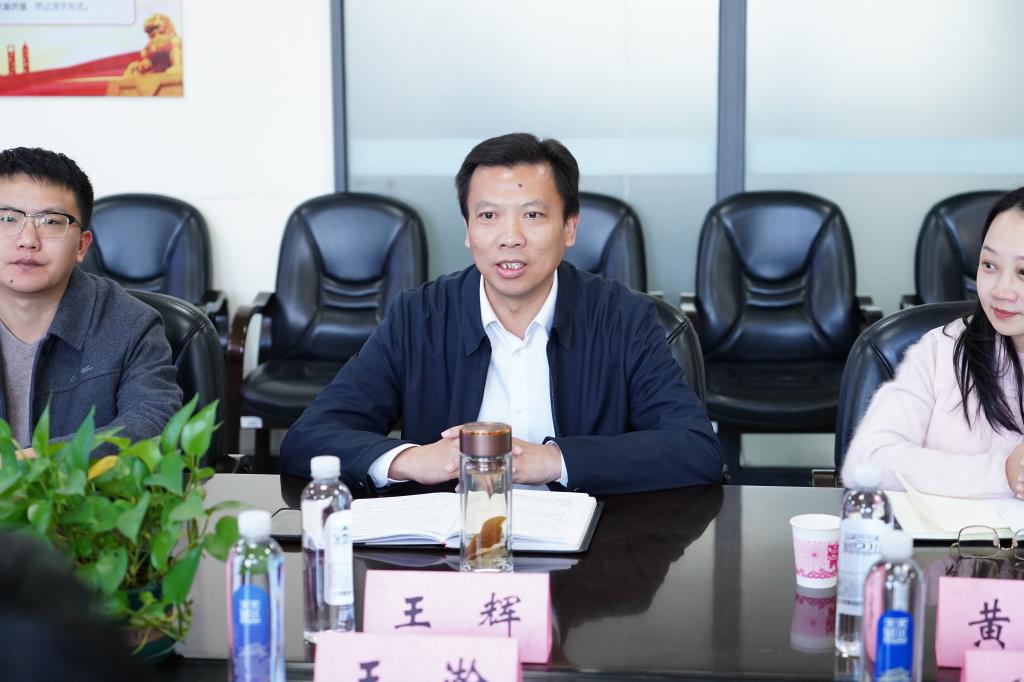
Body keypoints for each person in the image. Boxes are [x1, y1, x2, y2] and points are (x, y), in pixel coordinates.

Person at [281, 132, 722, 495]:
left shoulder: (624, 318)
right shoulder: (419, 318)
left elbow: (695, 448)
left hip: (595, 554)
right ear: (468, 230)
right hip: (451, 553)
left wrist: (554, 461)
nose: (509, 237)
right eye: (489, 215)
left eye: (532, 215)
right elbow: (309, 437)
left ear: (569, 227)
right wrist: (412, 459)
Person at [843, 187, 1024, 499]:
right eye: (989, 265)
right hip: (950, 532)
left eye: (1023, 272)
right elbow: (865, 460)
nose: (1000, 290)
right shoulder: (941, 350)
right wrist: (1001, 473)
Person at [0, 147, 181, 453]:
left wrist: (27, 464)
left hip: (93, 487)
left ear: (82, 246)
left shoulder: (132, 325)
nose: (28, 240)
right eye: (8, 218)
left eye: (51, 221)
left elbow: (152, 424)